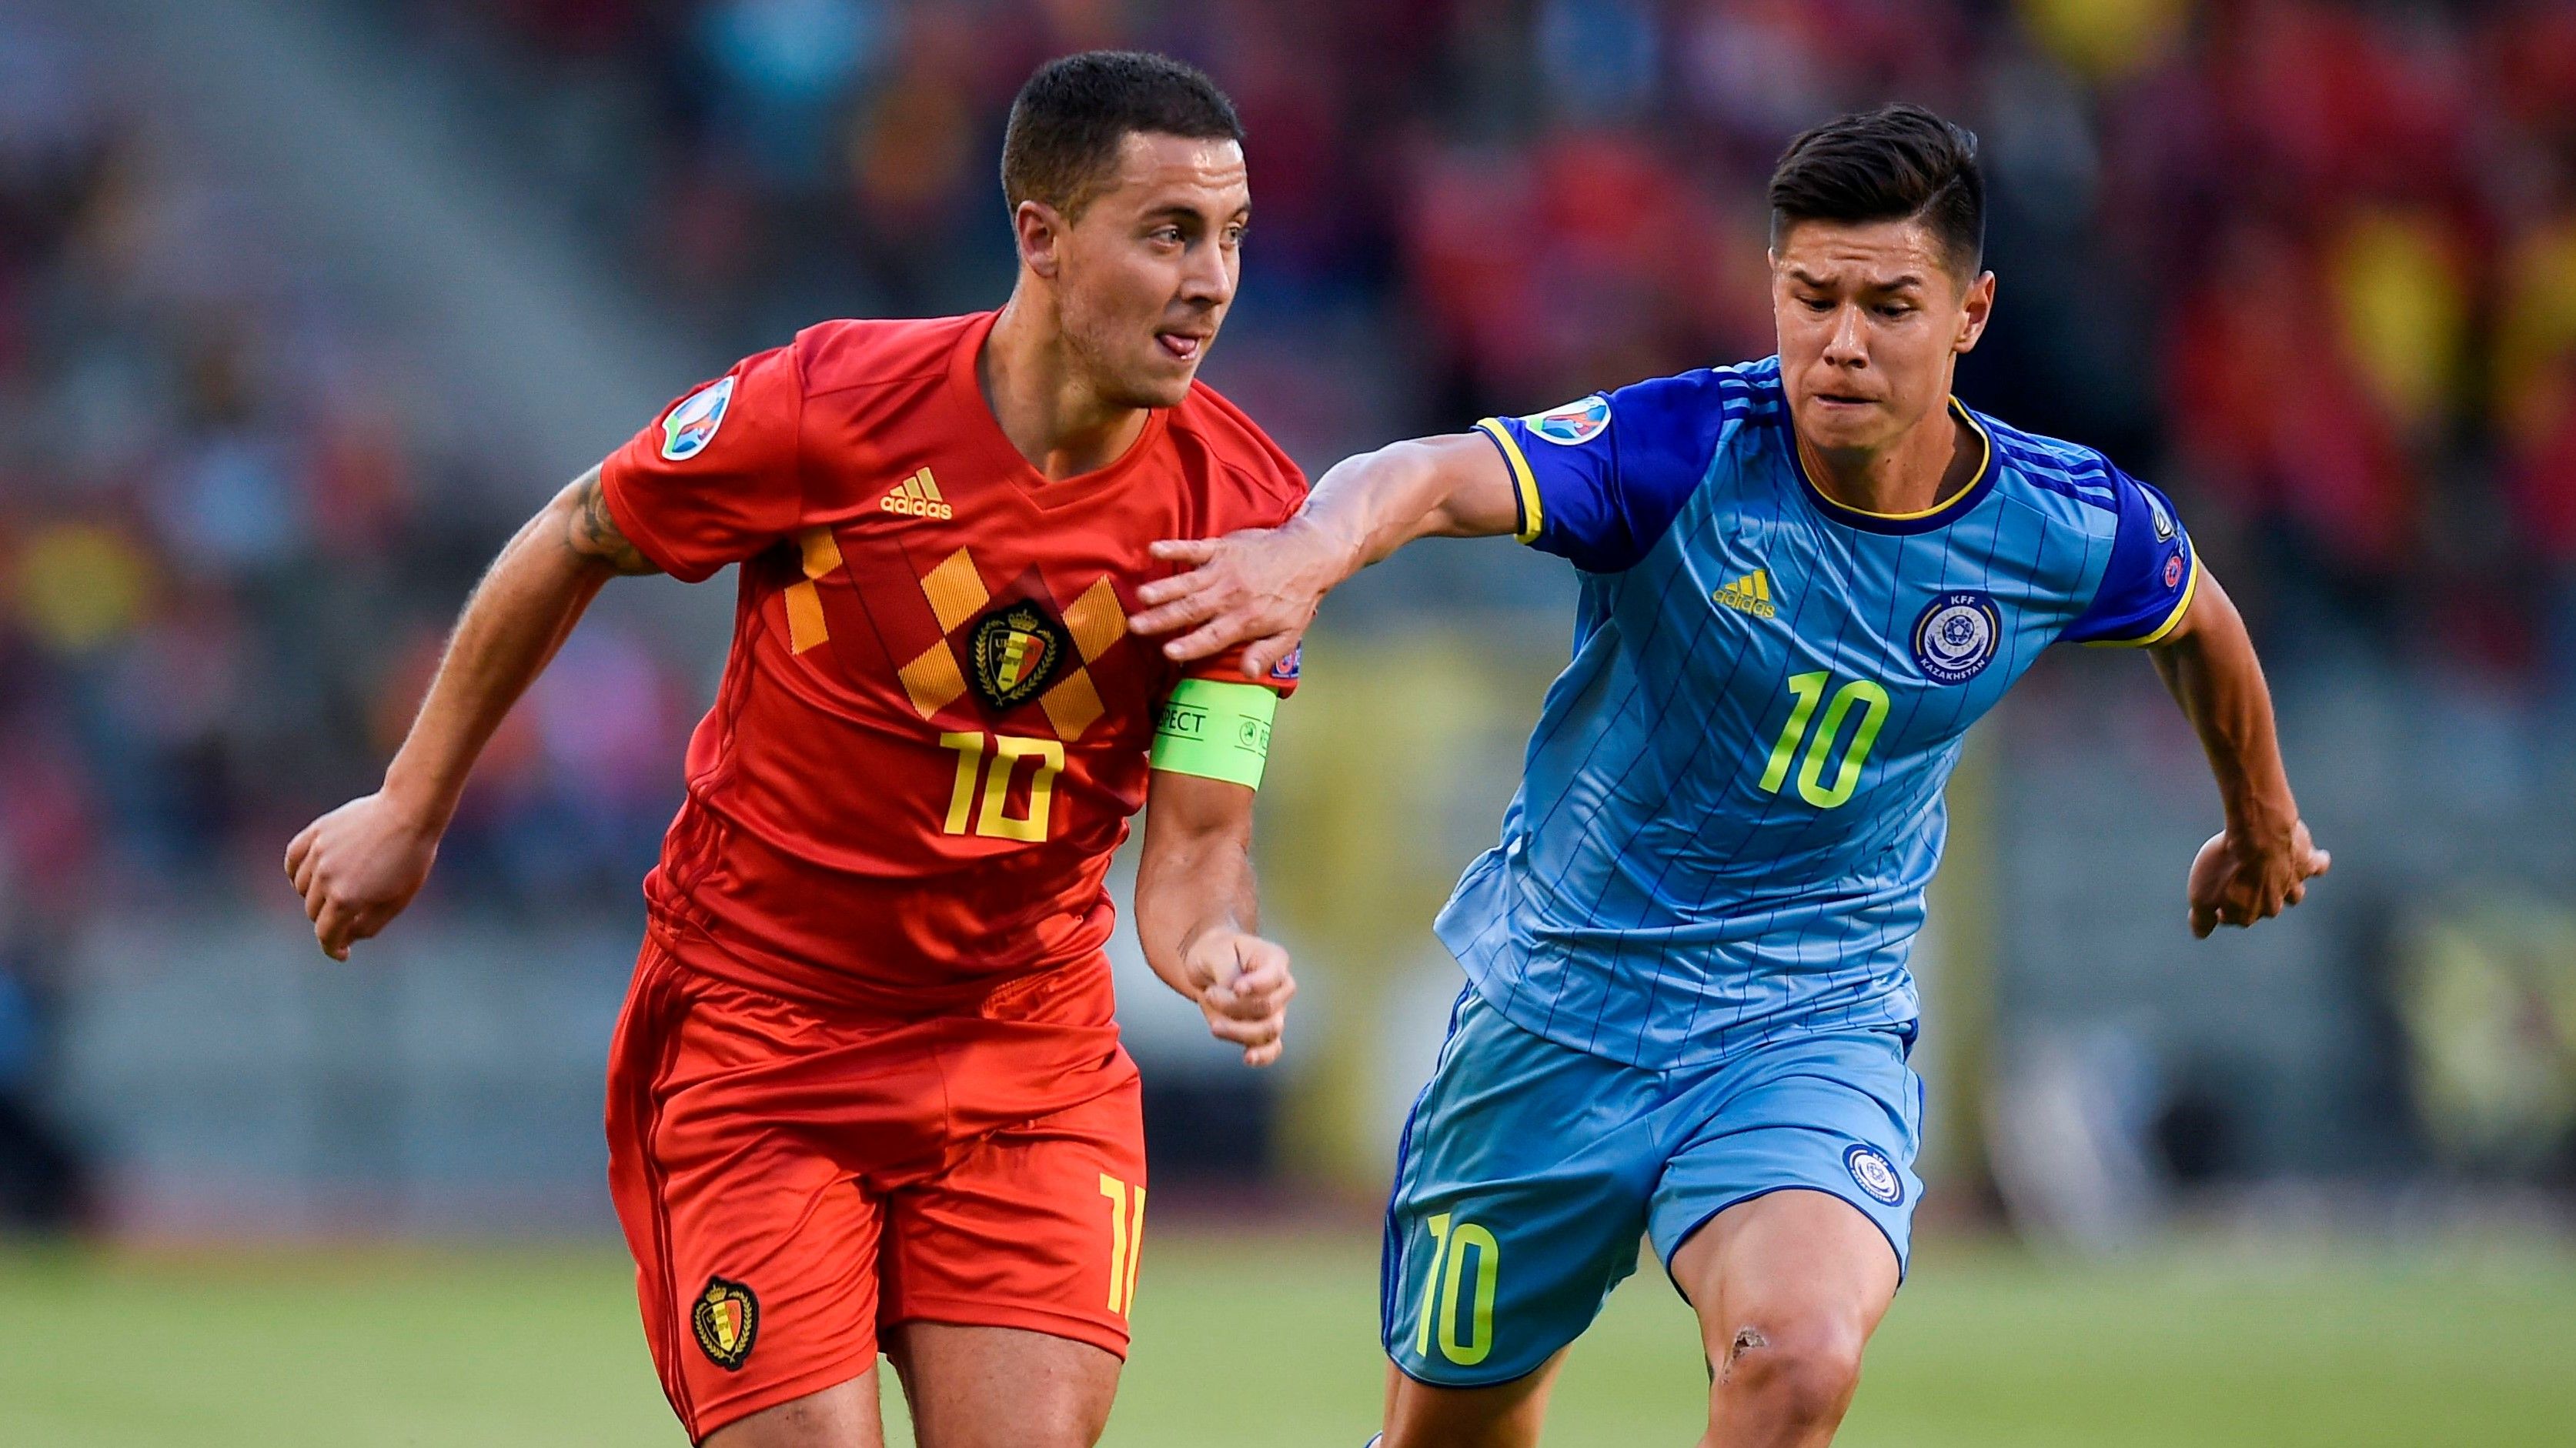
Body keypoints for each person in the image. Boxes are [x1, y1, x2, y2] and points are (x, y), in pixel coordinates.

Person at [1131, 104, 2331, 1448]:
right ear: (1773, 289)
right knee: (1450, 1433)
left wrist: (2262, 822)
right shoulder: (1685, 447)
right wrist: (1307, 552)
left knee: (1797, 1356)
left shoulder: (2060, 520)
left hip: (1807, 1021)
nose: (1843, 340)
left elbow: (2199, 620)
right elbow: (1431, 473)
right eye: (1813, 298)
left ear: (1971, 314)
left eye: (1891, 305)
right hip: (1559, 1010)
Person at [286, 52, 1305, 1448]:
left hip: (1028, 1058)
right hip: (763, 1043)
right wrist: (410, 807)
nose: (1212, 281)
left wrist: (1218, 951)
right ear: (1043, 237)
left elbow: (1194, 853)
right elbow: (577, 534)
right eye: (1170, 233)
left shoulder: (1246, 515)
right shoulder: (832, 405)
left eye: (1231, 235)